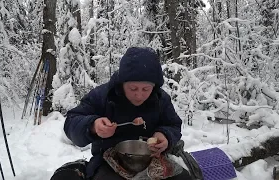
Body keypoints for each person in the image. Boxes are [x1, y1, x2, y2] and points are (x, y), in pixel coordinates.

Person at [62, 47, 192, 180]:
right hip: (108, 164)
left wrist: (165, 135)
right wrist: (93, 126)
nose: (139, 95)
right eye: (133, 88)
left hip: (152, 161)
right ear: (122, 83)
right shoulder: (103, 96)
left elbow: (173, 124)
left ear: (154, 86)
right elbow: (71, 123)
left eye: (146, 89)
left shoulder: (160, 99)